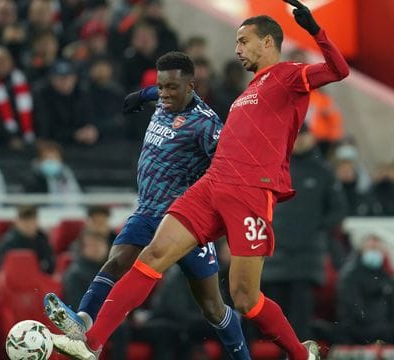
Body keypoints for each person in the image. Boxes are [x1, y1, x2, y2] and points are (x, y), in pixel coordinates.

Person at [50, 3, 349, 359]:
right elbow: (182, 97)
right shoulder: (249, 90)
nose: (237, 49)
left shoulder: (288, 76)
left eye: (243, 41)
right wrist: (148, 94)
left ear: (268, 42)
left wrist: (316, 30)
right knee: (153, 254)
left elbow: (338, 69)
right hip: (211, 185)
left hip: (251, 192)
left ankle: (301, 354)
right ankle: (91, 343)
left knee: (244, 298)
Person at [45, 51, 251, 360]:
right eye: (161, 86)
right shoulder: (165, 97)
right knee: (115, 262)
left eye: (171, 88)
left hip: (184, 221)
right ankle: (83, 321)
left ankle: (242, 356)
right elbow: (160, 90)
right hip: (146, 210)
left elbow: (230, 165)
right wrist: (142, 94)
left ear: (191, 87)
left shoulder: (205, 125)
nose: (164, 94)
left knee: (213, 308)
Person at [261, 124, 347, 341]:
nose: (299, 140)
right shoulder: (274, 166)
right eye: (295, 135)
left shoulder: (323, 171)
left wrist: (316, 227)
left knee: (300, 322)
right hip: (274, 256)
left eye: (303, 135)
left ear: (312, 138)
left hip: (306, 259)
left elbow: (338, 209)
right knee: (273, 322)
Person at [335, 235, 394, 344]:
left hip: (386, 332)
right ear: (362, 250)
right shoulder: (350, 276)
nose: (375, 252)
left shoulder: (386, 277)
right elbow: (353, 309)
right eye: (371, 248)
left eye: (378, 249)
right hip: (357, 333)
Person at [0, 205, 55, 274]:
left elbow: (50, 263)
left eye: (32, 221)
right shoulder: (8, 242)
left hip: (39, 278)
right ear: (17, 222)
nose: (29, 225)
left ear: (37, 221)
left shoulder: (42, 239)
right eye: (25, 222)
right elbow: (0, 268)